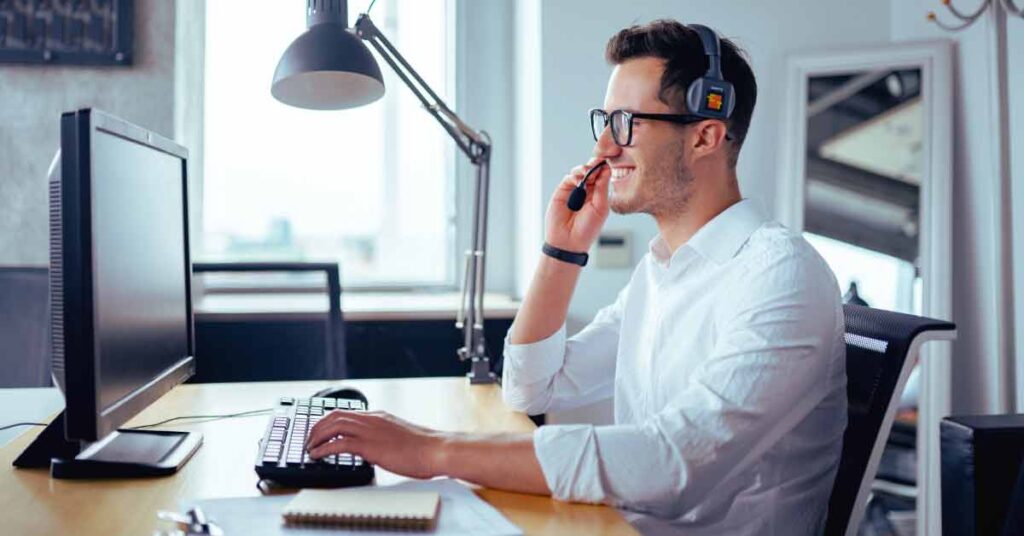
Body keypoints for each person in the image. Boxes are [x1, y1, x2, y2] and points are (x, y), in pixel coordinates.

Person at [306, 19, 846, 536]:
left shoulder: (780, 276)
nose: (604, 149)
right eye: (605, 121)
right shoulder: (663, 272)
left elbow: (671, 463)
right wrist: (561, 252)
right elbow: (531, 388)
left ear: (705, 136)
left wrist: (432, 451)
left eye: (626, 124)